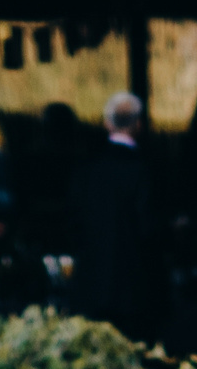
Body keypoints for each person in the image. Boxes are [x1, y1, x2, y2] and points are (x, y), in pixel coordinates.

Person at [69, 91, 162, 341]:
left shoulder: (87, 169)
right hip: (135, 286)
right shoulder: (146, 170)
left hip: (90, 281)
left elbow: (75, 222)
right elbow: (149, 228)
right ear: (139, 125)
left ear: (107, 124)